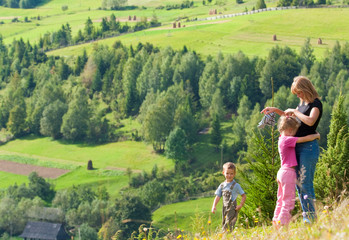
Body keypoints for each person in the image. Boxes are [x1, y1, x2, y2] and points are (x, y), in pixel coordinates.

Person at [262, 76, 322, 223]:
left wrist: (295, 112)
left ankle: (309, 219)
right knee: (299, 185)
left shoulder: (316, 104)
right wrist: (276, 110)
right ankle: (307, 217)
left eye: (299, 92)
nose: (298, 95)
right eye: (296, 94)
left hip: (308, 148)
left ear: (305, 89)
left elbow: (310, 120)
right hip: (297, 146)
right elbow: (291, 120)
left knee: (305, 183)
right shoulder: (301, 104)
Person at [273, 115, 320, 228]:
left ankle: (276, 221)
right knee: (288, 201)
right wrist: (316, 135)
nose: (296, 133)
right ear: (290, 130)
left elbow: (285, 118)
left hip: (281, 172)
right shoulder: (288, 140)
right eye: (295, 130)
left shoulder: (281, 138)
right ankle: (282, 225)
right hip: (289, 172)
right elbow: (305, 139)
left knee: (280, 199)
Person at [211, 162, 246, 232]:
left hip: (232, 208)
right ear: (223, 173)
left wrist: (240, 205)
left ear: (234, 174)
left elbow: (244, 196)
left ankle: (224, 234)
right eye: (227, 173)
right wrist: (214, 205)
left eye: (231, 173)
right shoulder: (222, 185)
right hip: (224, 208)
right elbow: (218, 196)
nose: (229, 175)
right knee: (224, 222)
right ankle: (228, 235)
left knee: (228, 223)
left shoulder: (236, 185)